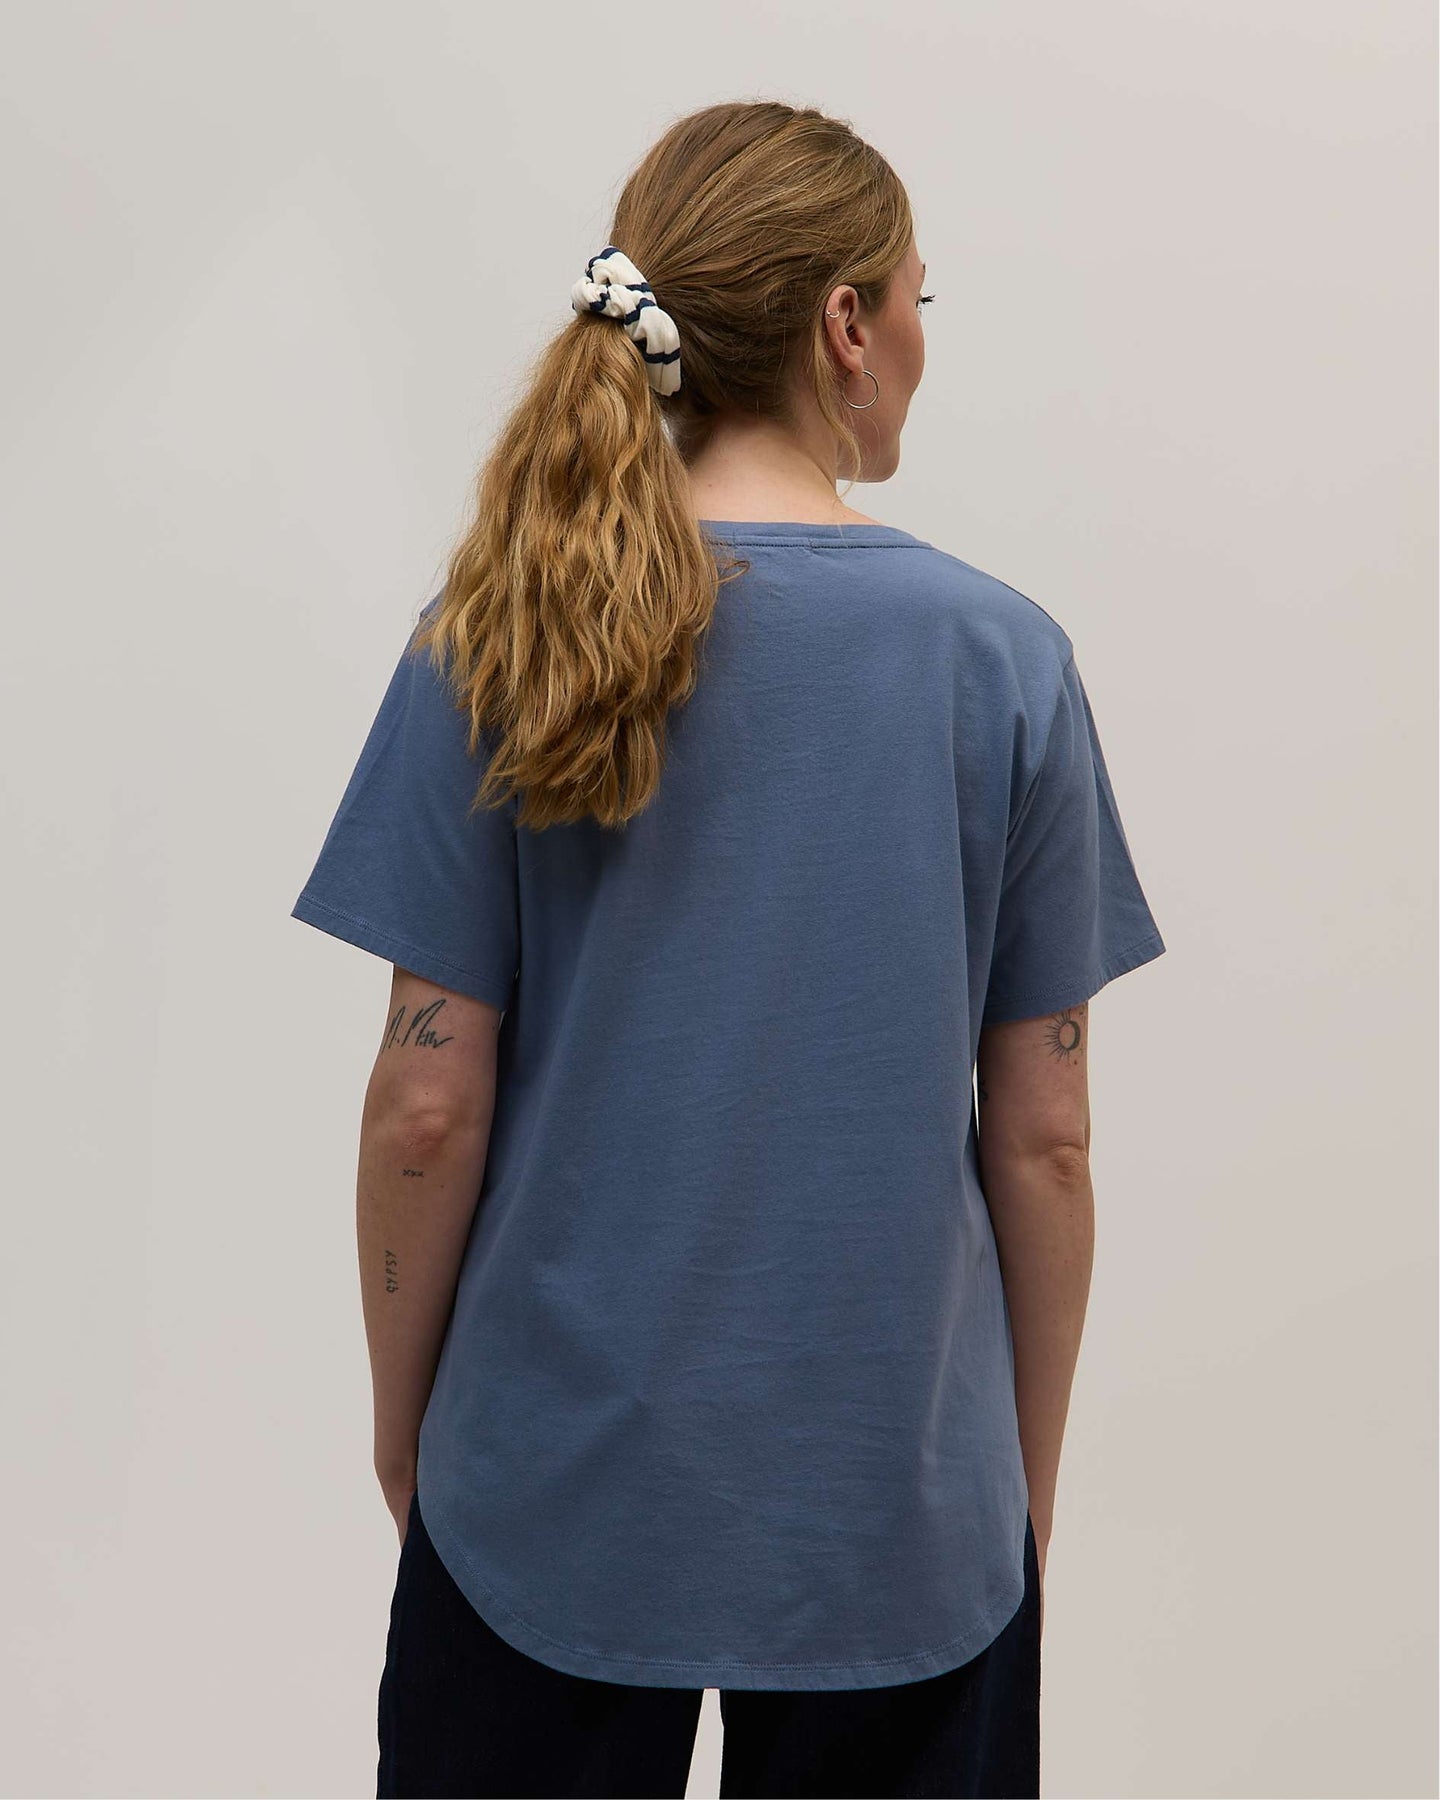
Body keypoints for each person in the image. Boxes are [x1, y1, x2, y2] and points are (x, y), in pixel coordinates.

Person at [290, 98, 1167, 1800]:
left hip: (542, 1496)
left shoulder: (501, 631)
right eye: (917, 296)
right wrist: (1013, 1493)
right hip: (899, 1511)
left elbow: (425, 1103)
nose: (922, 338)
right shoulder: (1001, 661)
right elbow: (1047, 1140)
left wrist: (409, 1432)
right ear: (847, 325)